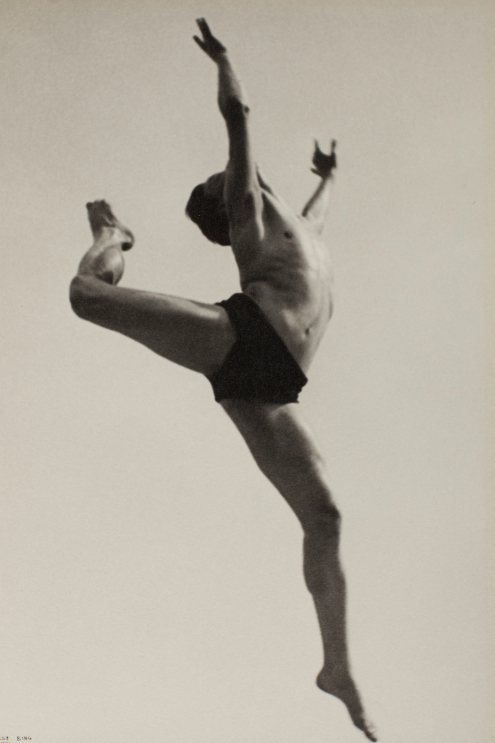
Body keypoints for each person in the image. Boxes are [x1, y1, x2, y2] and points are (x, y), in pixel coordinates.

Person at [69, 19, 377, 741]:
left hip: (271, 384)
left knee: (325, 515)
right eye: (221, 181)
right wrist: (224, 58)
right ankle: (112, 236)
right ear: (225, 201)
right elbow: (237, 118)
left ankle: (335, 667)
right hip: (240, 335)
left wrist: (328, 175)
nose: (227, 175)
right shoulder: (244, 212)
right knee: (86, 297)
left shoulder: (300, 229)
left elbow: (315, 214)